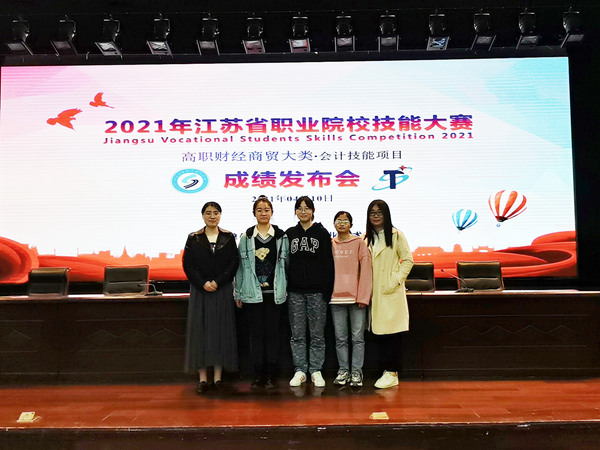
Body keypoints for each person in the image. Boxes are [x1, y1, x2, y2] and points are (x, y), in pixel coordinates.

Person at [183, 201, 239, 394]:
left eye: (216, 213)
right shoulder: (194, 238)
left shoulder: (228, 237)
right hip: (200, 291)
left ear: (220, 215)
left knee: (220, 332)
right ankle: (203, 380)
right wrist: (203, 283)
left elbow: (233, 264)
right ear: (203, 216)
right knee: (200, 333)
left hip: (222, 290)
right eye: (208, 213)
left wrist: (218, 281)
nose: (212, 216)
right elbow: (188, 265)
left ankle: (218, 378)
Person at [235, 195, 289, 389]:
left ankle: (271, 376)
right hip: (252, 295)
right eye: (259, 210)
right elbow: (240, 268)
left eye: (266, 210)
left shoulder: (281, 237)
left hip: (275, 295)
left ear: (272, 212)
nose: (263, 213)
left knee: (273, 335)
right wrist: (238, 293)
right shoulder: (246, 237)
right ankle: (259, 375)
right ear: (254, 213)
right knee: (256, 336)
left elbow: (287, 265)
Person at [286, 196, 335, 388]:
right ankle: (300, 370)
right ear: (295, 212)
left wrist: (326, 291)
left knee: (317, 335)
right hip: (295, 292)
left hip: (317, 293)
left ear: (313, 211)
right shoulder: (289, 234)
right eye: (299, 208)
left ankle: (315, 370)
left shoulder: (321, 233)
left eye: (307, 208)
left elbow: (328, 264)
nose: (303, 211)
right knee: (297, 334)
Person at [365, 199, 413, 389]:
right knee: (379, 334)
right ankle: (385, 371)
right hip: (374, 292)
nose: (376, 216)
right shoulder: (366, 238)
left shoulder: (396, 235)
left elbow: (408, 261)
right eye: (372, 213)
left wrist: (395, 280)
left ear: (386, 215)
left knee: (392, 334)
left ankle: (392, 373)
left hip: (390, 290)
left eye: (379, 212)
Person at [330, 211, 372, 388]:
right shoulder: (330, 244)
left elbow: (367, 271)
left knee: (357, 338)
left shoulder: (359, 243)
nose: (341, 223)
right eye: (338, 220)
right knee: (340, 339)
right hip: (335, 299)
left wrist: (363, 296)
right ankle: (343, 371)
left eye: (345, 220)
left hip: (356, 300)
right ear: (334, 224)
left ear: (351, 225)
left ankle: (356, 372)